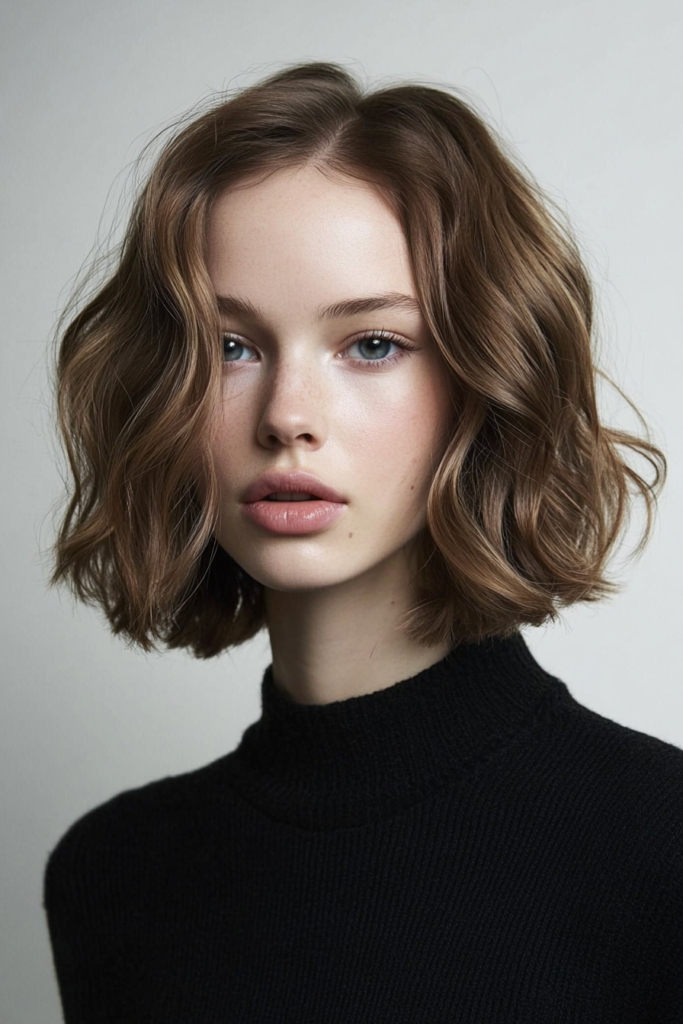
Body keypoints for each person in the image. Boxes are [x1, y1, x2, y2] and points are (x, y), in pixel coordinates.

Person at [42, 61, 682, 1022]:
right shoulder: (113, 874)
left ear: (484, 379)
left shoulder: (657, 848)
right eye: (231, 347)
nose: (287, 416)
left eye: (372, 344)